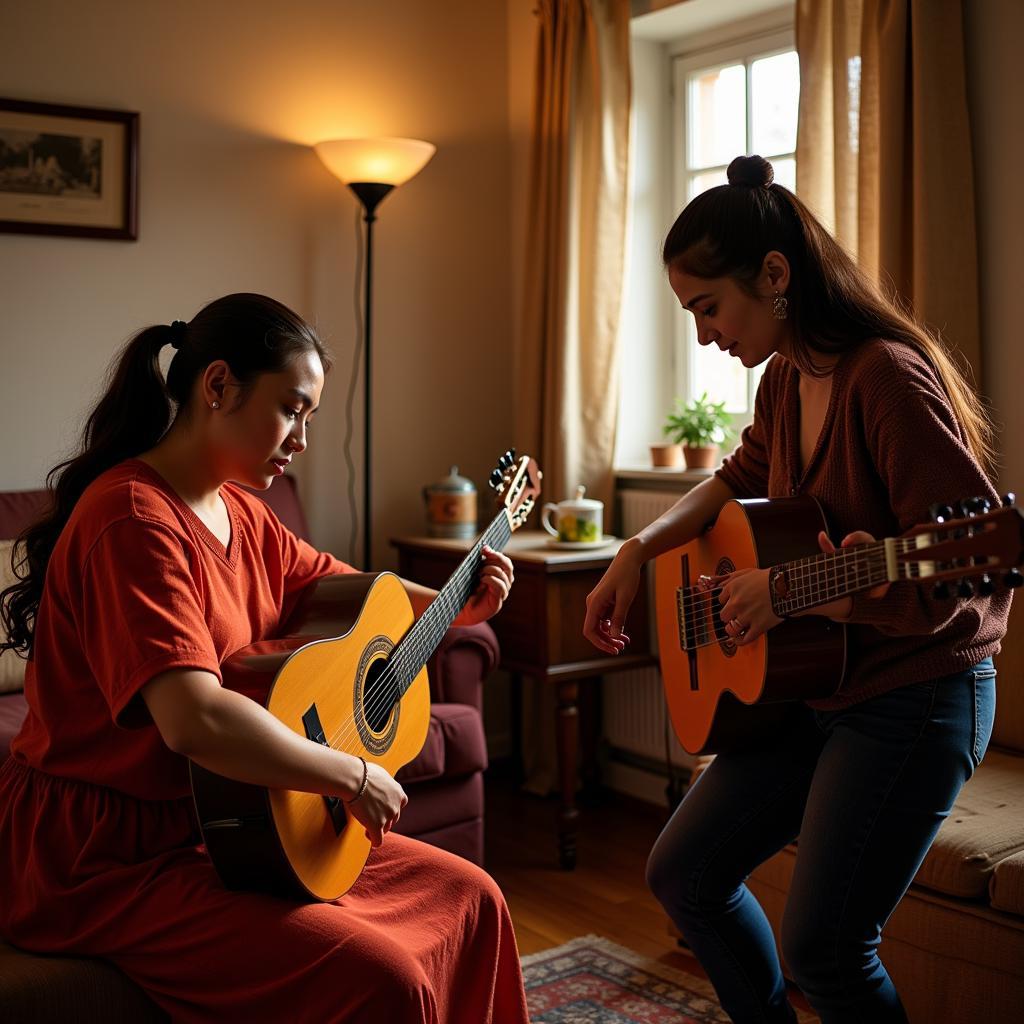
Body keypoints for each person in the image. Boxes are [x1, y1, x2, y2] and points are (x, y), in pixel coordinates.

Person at [0, 293, 529, 1024]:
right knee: (384, 983)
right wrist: (352, 774)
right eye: (293, 409)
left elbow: (348, 590)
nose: (303, 438)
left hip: (228, 825)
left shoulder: (243, 509)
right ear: (217, 386)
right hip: (105, 860)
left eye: (309, 418)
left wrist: (449, 600)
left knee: (477, 900)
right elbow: (194, 720)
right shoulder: (131, 522)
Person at [583, 156, 1011, 1023]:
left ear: (774, 275)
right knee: (683, 874)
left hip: (918, 697)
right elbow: (731, 480)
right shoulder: (785, 381)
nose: (703, 335)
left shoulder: (885, 377)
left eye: (709, 307)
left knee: (825, 947)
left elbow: (976, 576)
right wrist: (636, 549)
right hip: (821, 691)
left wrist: (818, 596)